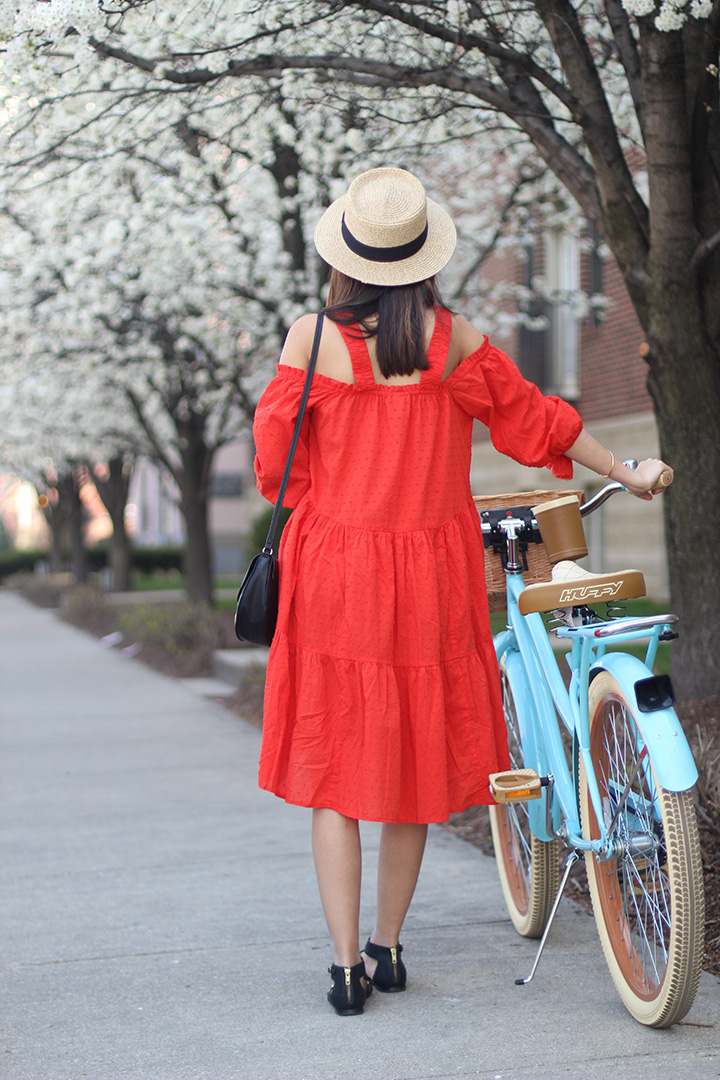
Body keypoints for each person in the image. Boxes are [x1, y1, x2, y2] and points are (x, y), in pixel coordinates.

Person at [252, 167, 671, 1016]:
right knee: (410, 762)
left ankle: (346, 971)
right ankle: (388, 947)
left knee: (335, 769)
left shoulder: (310, 338)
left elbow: (273, 469)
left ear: (346, 259)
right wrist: (625, 469)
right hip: (428, 578)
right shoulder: (454, 342)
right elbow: (538, 421)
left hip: (336, 571)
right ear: (423, 258)